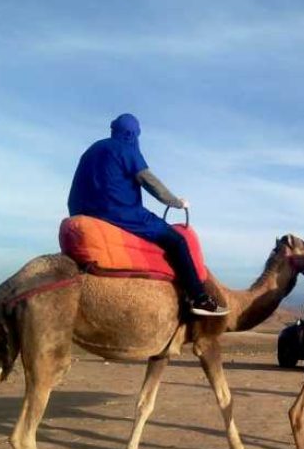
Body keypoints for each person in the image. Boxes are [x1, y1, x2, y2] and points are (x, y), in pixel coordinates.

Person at [67, 113, 228, 316]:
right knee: (177, 241)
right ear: (134, 134)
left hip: (80, 211)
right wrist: (177, 202)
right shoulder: (126, 150)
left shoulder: (92, 149)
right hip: (120, 213)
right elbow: (151, 183)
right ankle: (199, 298)